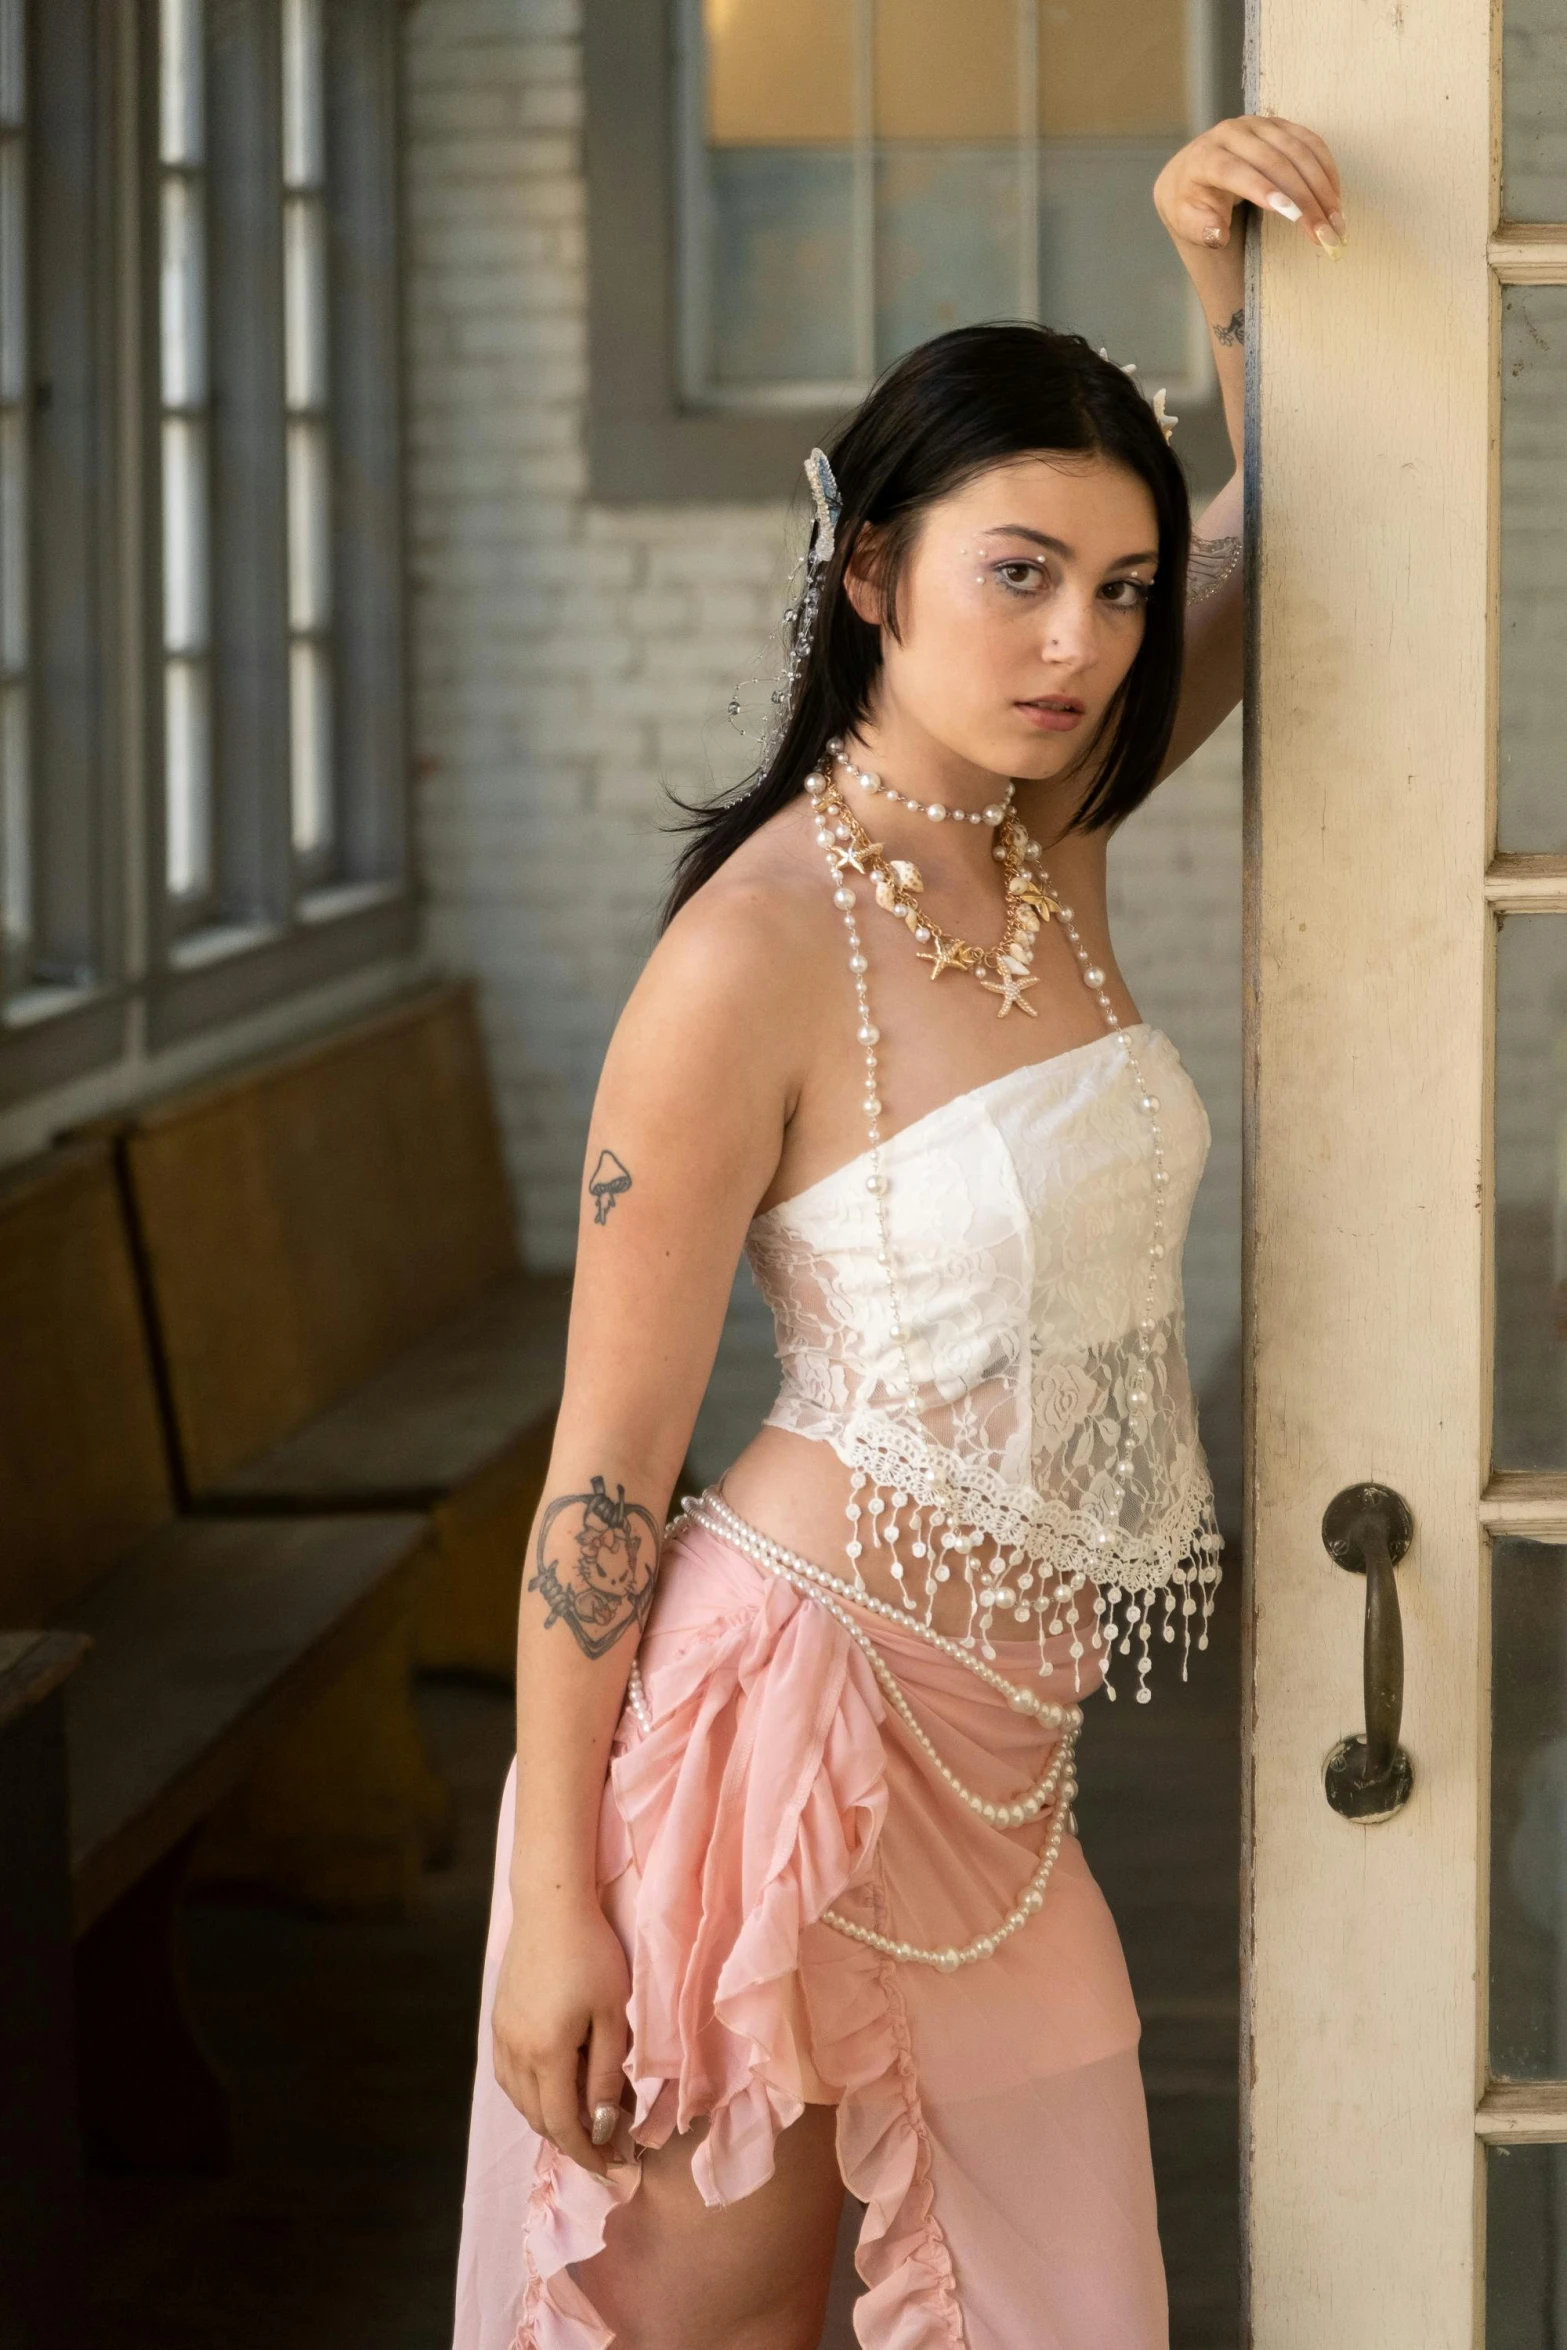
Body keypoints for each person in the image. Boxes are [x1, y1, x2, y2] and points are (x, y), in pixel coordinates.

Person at [453, 116, 1345, 2350]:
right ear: (869, 572)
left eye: (1118, 589)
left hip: (1006, 1789)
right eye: (1017, 572)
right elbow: (601, 1476)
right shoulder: (742, 956)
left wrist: (1222, 273)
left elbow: (1297, 513)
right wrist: (553, 1900)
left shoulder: (1054, 824)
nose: (1078, 641)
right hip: (782, 1738)